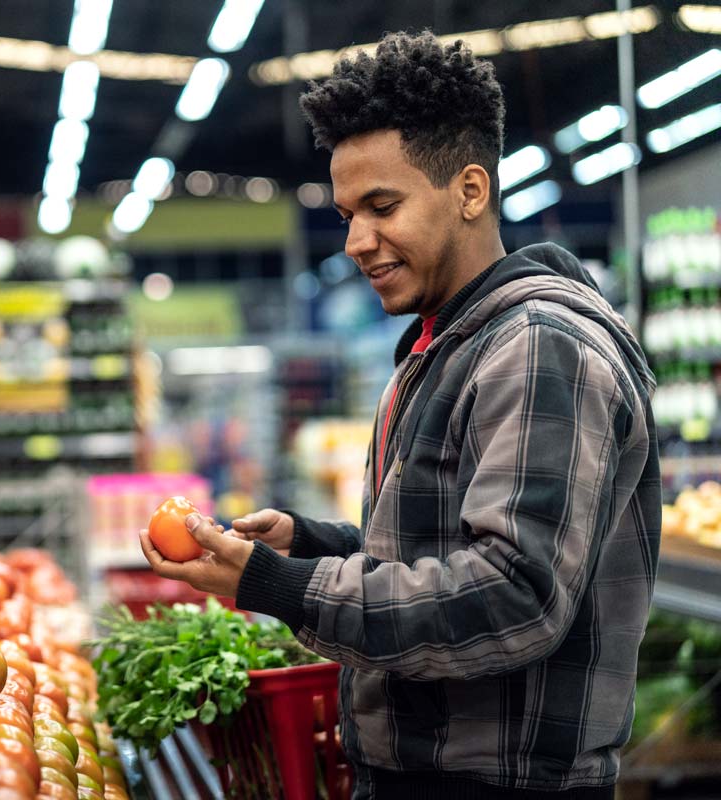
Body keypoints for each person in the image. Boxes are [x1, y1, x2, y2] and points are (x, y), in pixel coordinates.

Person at [139, 30, 660, 800]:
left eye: (382, 207)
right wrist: (312, 544)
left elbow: (514, 595)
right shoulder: (448, 344)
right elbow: (448, 545)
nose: (355, 241)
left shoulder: (539, 347)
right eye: (347, 212)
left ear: (470, 191)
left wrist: (286, 587)